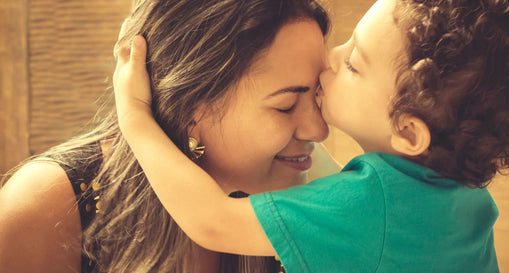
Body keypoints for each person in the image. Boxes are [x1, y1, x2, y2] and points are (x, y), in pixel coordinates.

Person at [115, 0, 509, 272]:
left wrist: (135, 114)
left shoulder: (374, 208)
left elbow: (211, 221)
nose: (332, 57)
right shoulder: (460, 194)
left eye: (354, 63)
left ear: (408, 131)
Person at [0, 0, 338, 272]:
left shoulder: (297, 191)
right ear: (189, 107)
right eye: (286, 105)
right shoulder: (49, 206)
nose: (319, 130)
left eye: (319, 96)